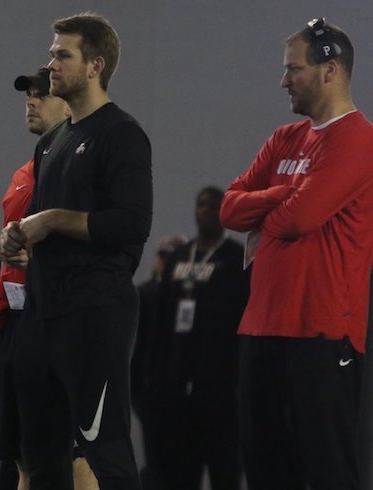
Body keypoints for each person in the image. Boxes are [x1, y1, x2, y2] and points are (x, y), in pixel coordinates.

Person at [0, 13, 152, 489]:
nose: (52, 63)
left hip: (93, 312)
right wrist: (17, 240)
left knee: (105, 454)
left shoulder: (121, 133)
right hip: (43, 313)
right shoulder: (51, 143)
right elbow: (41, 234)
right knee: (41, 458)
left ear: (94, 66)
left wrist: (52, 220)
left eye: (63, 55)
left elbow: (131, 223)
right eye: (52, 53)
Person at [219, 18, 373, 489]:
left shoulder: (359, 140)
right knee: (265, 471)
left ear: (329, 70)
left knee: (327, 473)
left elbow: (297, 220)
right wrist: (283, 192)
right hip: (262, 328)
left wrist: (270, 202)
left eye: (293, 69)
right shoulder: (284, 139)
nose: (284, 80)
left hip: (321, 334)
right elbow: (228, 208)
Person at [0, 67, 97, 490]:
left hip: (63, 326)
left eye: (40, 95)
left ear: (66, 102)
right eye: (27, 94)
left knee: (76, 456)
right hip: (19, 326)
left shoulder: (81, 169)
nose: (30, 101)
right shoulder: (23, 175)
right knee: (24, 457)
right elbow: (7, 262)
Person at [148, 187, 248, 489]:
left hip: (219, 385)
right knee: (180, 470)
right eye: (201, 204)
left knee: (224, 467)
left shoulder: (236, 259)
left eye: (214, 205)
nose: (206, 210)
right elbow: (161, 319)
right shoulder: (179, 256)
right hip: (176, 384)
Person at [130, 233, 185, 490]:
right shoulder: (143, 296)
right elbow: (134, 351)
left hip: (180, 395)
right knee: (156, 464)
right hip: (151, 393)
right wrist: (138, 395)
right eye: (167, 257)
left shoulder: (189, 298)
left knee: (179, 464)